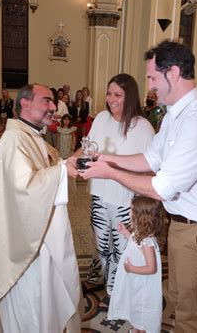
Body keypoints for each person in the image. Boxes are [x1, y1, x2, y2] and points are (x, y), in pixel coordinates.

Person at [80, 40, 197, 332]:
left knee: (192, 314)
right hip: (183, 224)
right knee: (177, 297)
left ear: (173, 73)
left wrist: (110, 172)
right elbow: (150, 158)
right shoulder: (176, 115)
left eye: (152, 77)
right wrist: (106, 158)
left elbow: (162, 187)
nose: (150, 85)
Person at [0, 84, 81, 332]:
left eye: (53, 102)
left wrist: (69, 163)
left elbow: (52, 167)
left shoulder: (31, 136)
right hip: (26, 249)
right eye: (46, 101)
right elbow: (25, 190)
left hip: (41, 239)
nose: (53, 107)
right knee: (30, 307)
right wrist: (63, 171)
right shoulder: (14, 141)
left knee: (44, 304)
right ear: (25, 104)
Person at [76, 73, 154, 308]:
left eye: (118, 95)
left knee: (122, 247)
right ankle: (102, 280)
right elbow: (88, 148)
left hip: (126, 198)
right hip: (100, 193)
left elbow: (149, 168)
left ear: (130, 97)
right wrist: (71, 163)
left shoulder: (143, 127)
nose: (111, 99)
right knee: (102, 244)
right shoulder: (101, 118)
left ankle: (116, 291)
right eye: (109, 94)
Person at [107, 196, 165, 333]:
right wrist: (126, 233)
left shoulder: (148, 242)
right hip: (138, 281)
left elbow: (151, 268)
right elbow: (136, 246)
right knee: (135, 307)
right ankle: (136, 328)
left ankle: (140, 329)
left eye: (132, 210)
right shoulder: (141, 234)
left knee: (142, 311)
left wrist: (131, 268)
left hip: (143, 284)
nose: (129, 213)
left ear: (141, 216)